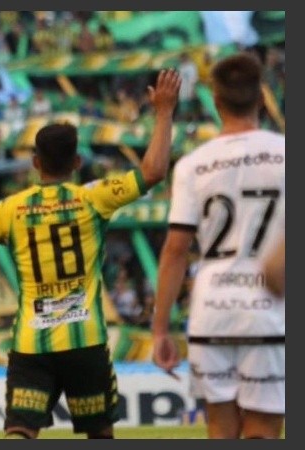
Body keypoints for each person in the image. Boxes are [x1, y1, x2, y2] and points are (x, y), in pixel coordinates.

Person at [0, 69, 181, 439]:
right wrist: (164, 111)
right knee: (99, 433)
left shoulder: (12, 209)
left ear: (35, 162)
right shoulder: (93, 197)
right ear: (77, 163)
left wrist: (3, 235)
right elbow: (152, 172)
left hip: (31, 343)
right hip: (85, 340)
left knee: (20, 430)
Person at [152, 53, 285, 439]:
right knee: (263, 431)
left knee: (220, 430)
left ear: (215, 100)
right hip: (270, 310)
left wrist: (160, 329)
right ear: (261, 96)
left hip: (212, 311)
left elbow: (176, 250)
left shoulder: (193, 165)